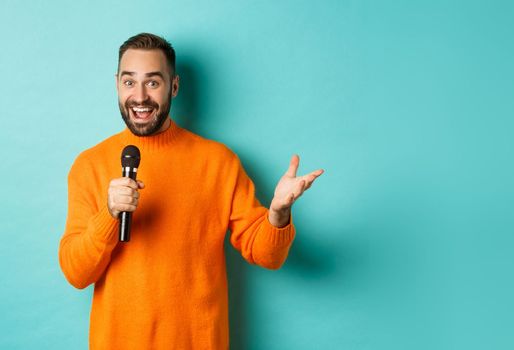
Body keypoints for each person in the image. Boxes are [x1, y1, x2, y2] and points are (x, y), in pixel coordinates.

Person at [58, 33, 323, 349]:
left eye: (153, 83)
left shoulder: (218, 162)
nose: (140, 96)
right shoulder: (89, 165)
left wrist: (278, 213)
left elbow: (266, 254)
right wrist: (109, 215)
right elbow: (76, 273)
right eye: (130, 82)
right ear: (117, 84)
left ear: (174, 86)